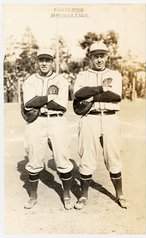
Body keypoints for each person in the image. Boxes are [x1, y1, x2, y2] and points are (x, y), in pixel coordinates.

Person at [73, 41, 128, 210]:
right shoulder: (83, 75)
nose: (99, 59)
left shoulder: (115, 74)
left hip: (110, 118)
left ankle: (120, 194)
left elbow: (116, 96)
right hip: (90, 118)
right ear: (90, 57)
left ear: (106, 57)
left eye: (102, 56)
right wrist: (101, 88)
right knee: (87, 156)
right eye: (95, 56)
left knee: (113, 156)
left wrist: (93, 96)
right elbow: (78, 94)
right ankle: (83, 196)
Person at [22, 48, 73, 210]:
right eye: (41, 60)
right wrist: (50, 98)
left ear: (52, 62)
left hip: (57, 121)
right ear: (37, 62)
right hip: (36, 121)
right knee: (34, 160)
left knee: (63, 159)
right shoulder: (30, 80)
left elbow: (61, 105)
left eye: (47, 60)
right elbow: (29, 103)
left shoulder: (61, 80)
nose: (44, 63)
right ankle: (33, 196)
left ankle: (66, 195)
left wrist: (40, 99)